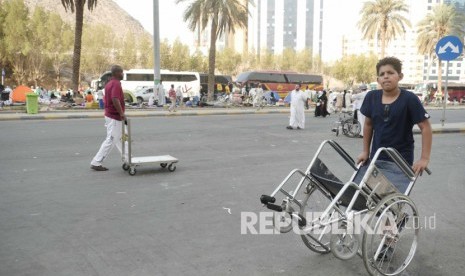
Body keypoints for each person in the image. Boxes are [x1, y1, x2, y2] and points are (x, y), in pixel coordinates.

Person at [356, 57, 432, 192]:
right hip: (376, 158)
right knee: (371, 196)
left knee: (392, 199)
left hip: (401, 160)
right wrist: (365, 151)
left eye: (390, 73)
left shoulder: (409, 99)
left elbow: (425, 127)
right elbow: (368, 125)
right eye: (382, 74)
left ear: (400, 76)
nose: (386, 77)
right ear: (378, 79)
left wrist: (424, 159)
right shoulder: (371, 97)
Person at [90, 65, 126, 171]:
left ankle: (128, 158)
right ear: (116, 73)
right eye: (121, 72)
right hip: (115, 116)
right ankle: (96, 162)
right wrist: (121, 113)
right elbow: (115, 99)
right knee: (111, 139)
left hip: (111, 115)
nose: (123, 74)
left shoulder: (109, 83)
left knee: (122, 138)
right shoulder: (116, 84)